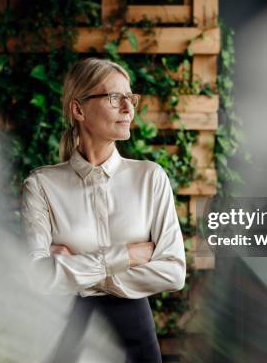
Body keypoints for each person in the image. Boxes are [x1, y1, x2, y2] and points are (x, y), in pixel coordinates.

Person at [20, 57, 186, 362]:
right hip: (63, 334)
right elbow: (36, 276)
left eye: (130, 98)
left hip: (136, 338)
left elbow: (174, 272)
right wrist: (128, 256)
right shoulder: (41, 185)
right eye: (114, 98)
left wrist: (79, 273)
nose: (128, 108)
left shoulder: (150, 178)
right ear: (78, 109)